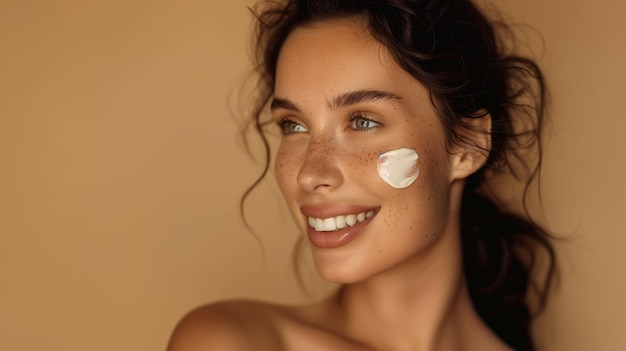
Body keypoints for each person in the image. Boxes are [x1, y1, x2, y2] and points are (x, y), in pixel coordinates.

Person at [167, 0, 556, 350]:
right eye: (293, 125)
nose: (310, 173)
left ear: (468, 144)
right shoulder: (228, 342)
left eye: (363, 121)